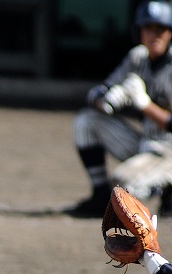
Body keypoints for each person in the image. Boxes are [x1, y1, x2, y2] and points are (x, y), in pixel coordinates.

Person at [67, 0, 172, 218]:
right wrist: (110, 99)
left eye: (161, 29)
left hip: (169, 152)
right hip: (147, 145)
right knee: (87, 121)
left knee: (125, 186)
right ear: (139, 32)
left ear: (170, 33)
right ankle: (99, 196)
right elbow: (98, 92)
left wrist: (144, 104)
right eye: (149, 28)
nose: (155, 35)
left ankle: (168, 190)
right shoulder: (137, 58)